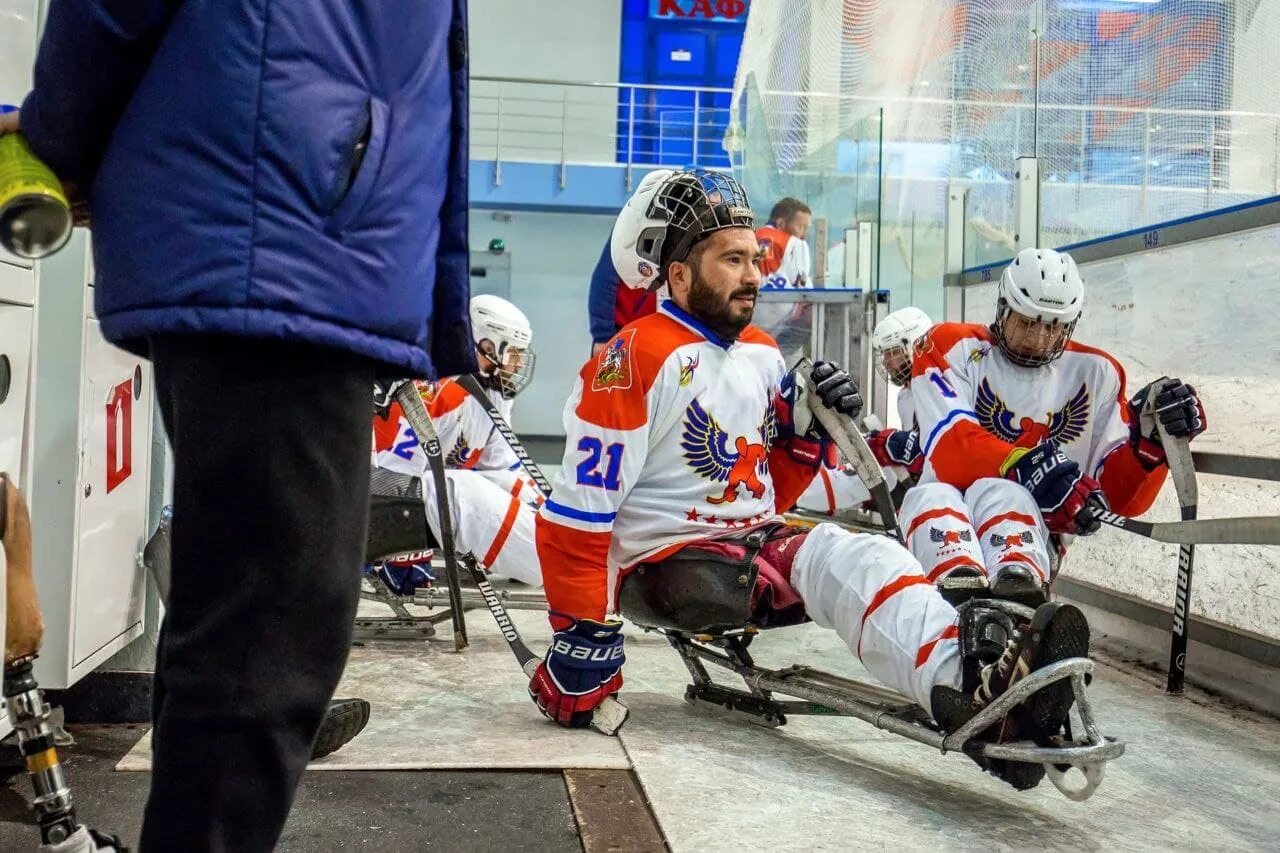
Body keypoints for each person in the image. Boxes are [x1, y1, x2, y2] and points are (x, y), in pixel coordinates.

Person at [2, 1, 475, 849]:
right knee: (266, 645)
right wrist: (60, 136)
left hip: (300, 235)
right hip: (284, 236)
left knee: (253, 633)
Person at [527, 169, 1093, 792]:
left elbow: (772, 489)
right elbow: (577, 515)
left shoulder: (762, 354)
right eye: (732, 260)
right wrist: (579, 629)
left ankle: (988, 681)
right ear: (680, 275)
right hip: (666, 564)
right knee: (843, 556)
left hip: (746, 543)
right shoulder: (635, 356)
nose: (753, 275)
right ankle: (974, 685)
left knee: (869, 552)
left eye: (755, 258)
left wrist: (804, 435)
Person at [903, 247, 1206, 601]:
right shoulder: (951, 345)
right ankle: (958, 598)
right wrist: (1031, 466)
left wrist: (1149, 451)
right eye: (1028, 323)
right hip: (945, 524)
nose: (1039, 340)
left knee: (1009, 497)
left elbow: (1119, 501)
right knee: (937, 494)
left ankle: (1013, 605)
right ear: (1003, 309)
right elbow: (952, 450)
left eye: (1054, 328)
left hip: (1031, 542)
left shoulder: (1098, 373)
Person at [371, 295, 543, 591]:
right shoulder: (430, 388)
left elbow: (502, 467)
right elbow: (393, 475)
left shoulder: (496, 394)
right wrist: (399, 550)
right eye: (512, 352)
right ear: (485, 345)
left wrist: (540, 509)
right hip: (384, 497)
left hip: (437, 499)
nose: (517, 363)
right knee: (466, 489)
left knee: (539, 558)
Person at [587, 169, 675, 355]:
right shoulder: (630, 229)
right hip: (623, 333)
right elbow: (604, 280)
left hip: (664, 335)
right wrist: (603, 336)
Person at [865, 306, 934, 478]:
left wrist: (898, 443)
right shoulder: (904, 396)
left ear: (915, 346)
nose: (887, 362)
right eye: (885, 354)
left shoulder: (940, 391)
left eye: (893, 352)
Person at [756, 196, 812, 290]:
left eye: (807, 228)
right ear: (781, 224)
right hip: (784, 301)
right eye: (801, 227)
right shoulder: (796, 243)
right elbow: (803, 288)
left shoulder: (751, 236)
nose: (804, 236)